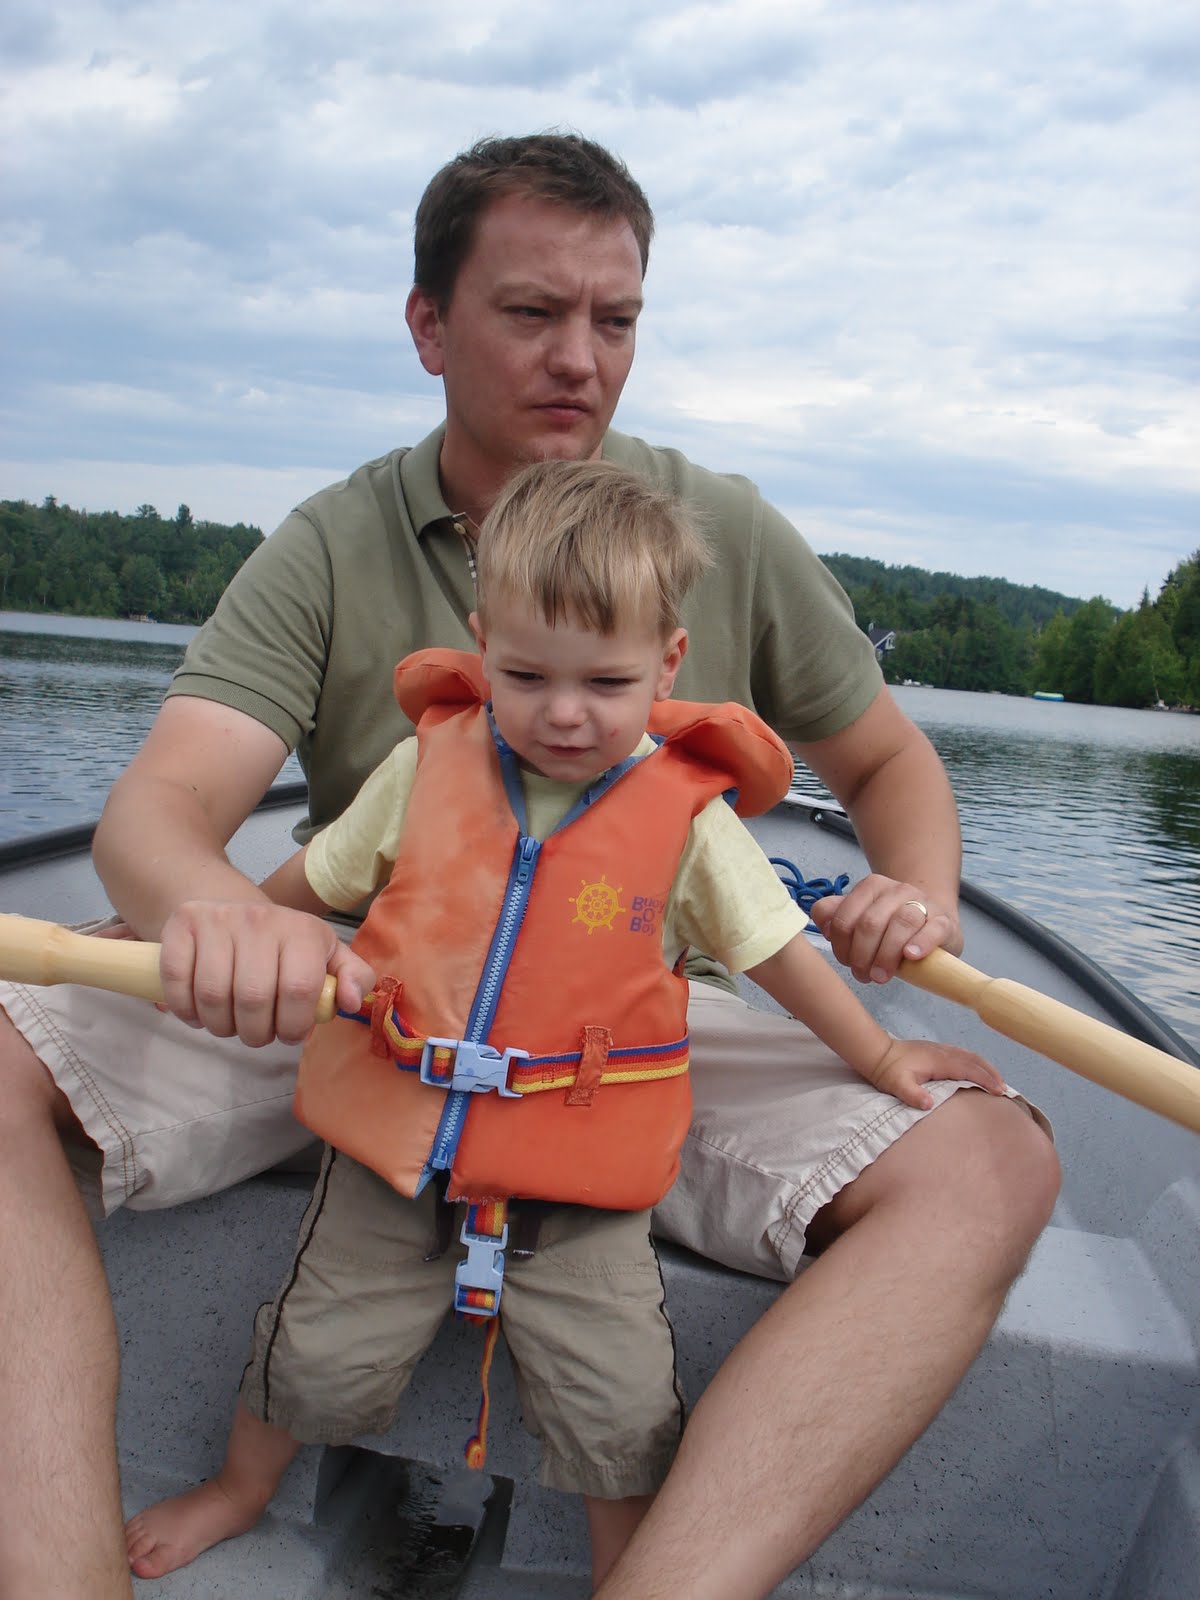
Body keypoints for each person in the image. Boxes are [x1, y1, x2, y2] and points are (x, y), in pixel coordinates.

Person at [0, 133, 1059, 1600]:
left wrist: (913, 891)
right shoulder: (332, 541)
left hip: (634, 1034)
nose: (582, 358)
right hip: (364, 1005)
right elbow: (162, 807)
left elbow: (887, 765)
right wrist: (224, 917)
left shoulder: (720, 529)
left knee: (993, 1158)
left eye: (615, 319)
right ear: (429, 325)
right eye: (532, 313)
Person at [123, 458, 1009, 1586]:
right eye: (527, 674)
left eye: (607, 681)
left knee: (618, 1403)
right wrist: (215, 941)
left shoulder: (687, 819)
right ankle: (239, 1488)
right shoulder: (424, 767)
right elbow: (304, 888)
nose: (565, 711)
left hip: (582, 1184)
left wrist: (881, 1055)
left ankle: (623, 1573)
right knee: (313, 1350)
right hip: (394, 1150)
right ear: (482, 641)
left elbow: (783, 959)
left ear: (669, 663)